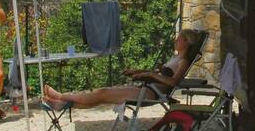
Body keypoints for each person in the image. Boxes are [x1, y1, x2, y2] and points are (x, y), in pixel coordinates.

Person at [42, 29, 204, 109]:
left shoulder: (183, 61)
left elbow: (172, 81)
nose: (175, 41)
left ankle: (61, 96)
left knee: (102, 93)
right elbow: (159, 74)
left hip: (151, 93)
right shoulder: (175, 57)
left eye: (179, 39)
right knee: (102, 96)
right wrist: (139, 71)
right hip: (146, 87)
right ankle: (62, 104)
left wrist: (148, 74)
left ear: (186, 42)